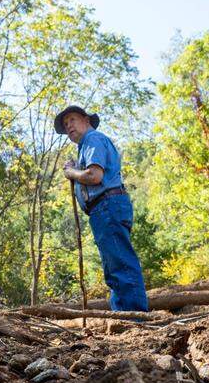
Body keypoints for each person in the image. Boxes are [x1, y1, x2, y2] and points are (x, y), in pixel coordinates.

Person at [56, 105, 149, 312]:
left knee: (120, 263)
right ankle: (124, 315)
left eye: (72, 120)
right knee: (114, 265)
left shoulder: (92, 139)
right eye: (65, 124)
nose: (68, 126)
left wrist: (72, 173)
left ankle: (135, 317)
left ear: (86, 120)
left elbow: (94, 176)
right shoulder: (86, 145)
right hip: (105, 209)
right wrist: (76, 168)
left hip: (107, 206)